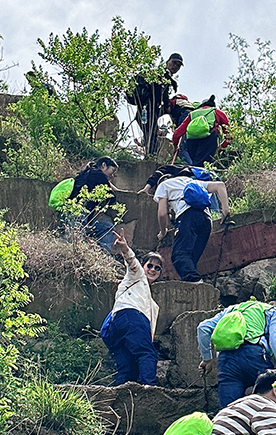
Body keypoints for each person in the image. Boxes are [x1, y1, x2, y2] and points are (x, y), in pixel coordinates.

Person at [197, 299, 276, 408]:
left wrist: (207, 359)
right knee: (266, 406)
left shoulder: (231, 309)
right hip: (254, 356)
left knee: (229, 411)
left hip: (226, 361)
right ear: (272, 304)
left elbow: (203, 328)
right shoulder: (272, 311)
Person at [101, 230, 163, 386]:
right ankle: (150, 389)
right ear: (143, 266)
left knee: (128, 368)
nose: (153, 269)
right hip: (131, 318)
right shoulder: (137, 275)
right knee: (146, 353)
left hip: (118, 325)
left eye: (157, 268)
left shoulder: (149, 300)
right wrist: (125, 247)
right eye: (150, 265)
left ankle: (120, 397)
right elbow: (132, 262)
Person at [154, 173, 230, 282]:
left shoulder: (164, 185)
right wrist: (225, 210)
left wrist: (163, 231)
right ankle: (194, 283)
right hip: (207, 221)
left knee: (179, 256)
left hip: (188, 217)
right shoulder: (192, 181)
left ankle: (196, 282)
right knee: (191, 259)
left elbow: (162, 214)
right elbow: (220, 185)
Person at [127, 54, 183, 157]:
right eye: (174, 63)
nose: (175, 67)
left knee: (150, 131)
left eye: (178, 65)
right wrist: (167, 106)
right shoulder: (163, 75)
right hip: (149, 106)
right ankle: (151, 156)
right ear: (167, 61)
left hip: (145, 107)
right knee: (151, 133)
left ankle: (149, 154)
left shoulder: (156, 74)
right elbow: (161, 92)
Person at [65, 157, 118, 253]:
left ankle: (102, 257)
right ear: (103, 165)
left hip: (76, 214)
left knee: (107, 227)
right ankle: (103, 256)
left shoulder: (87, 173)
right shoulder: (98, 175)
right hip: (79, 214)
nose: (113, 175)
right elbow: (112, 197)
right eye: (112, 170)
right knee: (73, 245)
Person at [172, 94, 231, 166]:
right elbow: (229, 132)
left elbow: (177, 133)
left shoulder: (192, 114)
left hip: (191, 142)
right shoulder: (216, 112)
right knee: (203, 166)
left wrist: (175, 146)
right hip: (208, 140)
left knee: (196, 163)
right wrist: (221, 147)